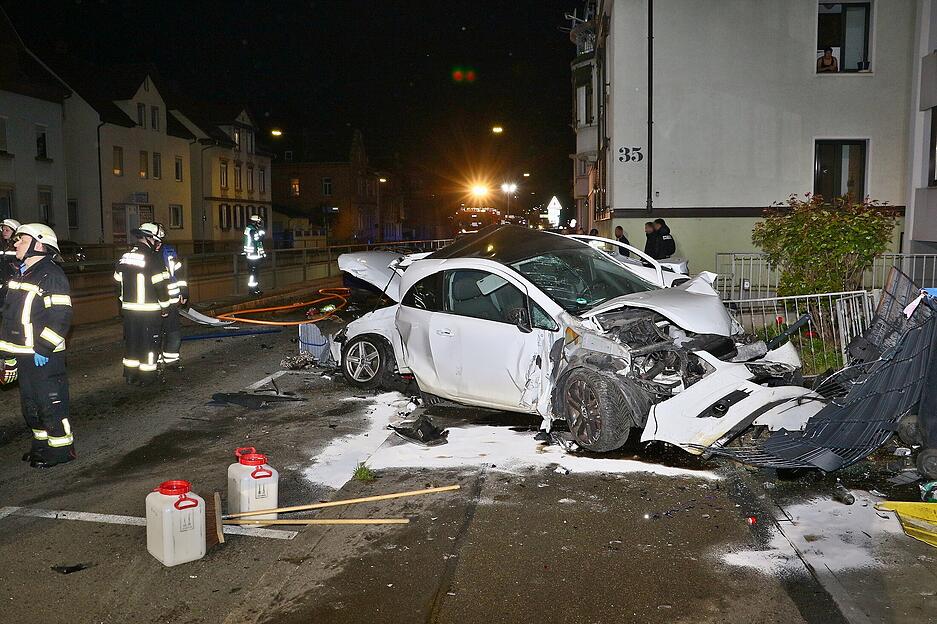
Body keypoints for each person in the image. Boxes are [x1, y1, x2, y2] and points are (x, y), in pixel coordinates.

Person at [0, 223, 75, 468]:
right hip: (23, 355)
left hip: (44, 355)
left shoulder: (51, 275)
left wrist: (44, 348)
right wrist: (7, 355)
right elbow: (9, 318)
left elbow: (61, 316)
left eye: (22, 240)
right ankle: (42, 445)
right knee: (31, 406)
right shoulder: (20, 275)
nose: (16, 243)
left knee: (50, 403)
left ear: (39, 245)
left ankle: (62, 450)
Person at [114, 222, 172, 386]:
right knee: (149, 345)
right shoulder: (153, 259)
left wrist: (123, 304)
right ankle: (147, 378)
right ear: (149, 239)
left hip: (129, 311)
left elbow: (117, 283)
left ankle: (131, 375)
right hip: (149, 311)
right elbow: (160, 286)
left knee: (132, 343)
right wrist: (165, 307)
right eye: (157, 241)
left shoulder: (125, 257)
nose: (158, 245)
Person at [158, 226, 188, 371]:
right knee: (155, 334)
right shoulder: (146, 254)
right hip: (155, 302)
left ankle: (171, 361)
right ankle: (155, 363)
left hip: (172, 299)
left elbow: (179, 273)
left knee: (173, 332)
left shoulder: (169, 251)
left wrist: (184, 292)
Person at [243, 214, 266, 295]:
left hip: (255, 254)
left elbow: (259, 244)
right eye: (259, 222)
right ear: (255, 222)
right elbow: (257, 239)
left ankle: (256, 289)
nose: (260, 223)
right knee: (253, 273)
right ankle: (252, 291)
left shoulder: (254, 229)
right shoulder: (251, 229)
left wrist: (263, 254)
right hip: (252, 254)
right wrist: (261, 234)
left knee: (255, 273)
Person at [0, 218, 21, 305]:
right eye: (3, 230)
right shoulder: (2, 245)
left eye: (7, 230)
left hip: (14, 288)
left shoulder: (19, 247)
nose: (4, 232)